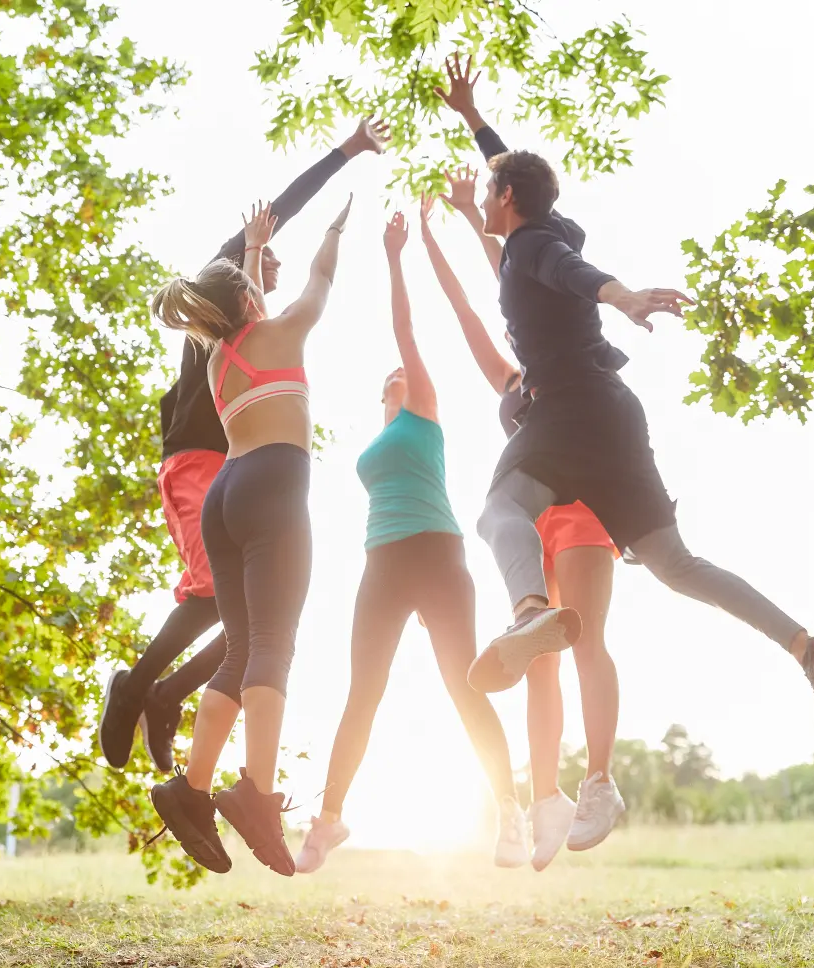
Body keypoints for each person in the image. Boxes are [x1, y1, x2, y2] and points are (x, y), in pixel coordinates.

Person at [433, 55, 814, 747]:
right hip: (613, 414)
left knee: (499, 510)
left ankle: (529, 611)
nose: (481, 200)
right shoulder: (540, 232)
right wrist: (476, 121)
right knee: (676, 564)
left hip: (568, 407)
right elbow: (533, 213)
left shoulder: (539, 247)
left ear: (506, 198)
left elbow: (574, 273)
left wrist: (622, 294)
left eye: (488, 192)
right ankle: (805, 648)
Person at [98, 119, 391, 773]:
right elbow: (280, 211)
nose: (272, 265)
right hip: (198, 467)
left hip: (233, 474)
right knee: (213, 601)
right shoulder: (220, 297)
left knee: (255, 620)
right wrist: (345, 152)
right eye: (263, 260)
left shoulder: (245, 332)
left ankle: (168, 693)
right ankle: (138, 685)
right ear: (238, 271)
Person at [293, 212, 527, 875]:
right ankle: (329, 819)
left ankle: (509, 811)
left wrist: (398, 253)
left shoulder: (424, 409)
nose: (404, 368)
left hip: (437, 553)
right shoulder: (377, 438)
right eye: (394, 372)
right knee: (361, 690)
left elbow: (406, 329)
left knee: (463, 686)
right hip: (381, 561)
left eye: (408, 368)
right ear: (383, 392)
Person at [147, 195, 354, 876]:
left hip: (224, 498)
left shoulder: (218, 361)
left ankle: (191, 789)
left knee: (241, 648)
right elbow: (320, 284)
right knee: (273, 646)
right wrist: (331, 232)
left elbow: (246, 307)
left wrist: (255, 256)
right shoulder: (283, 332)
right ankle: (256, 792)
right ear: (249, 301)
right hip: (272, 487)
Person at [421, 182, 623, 864]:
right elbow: (472, 308)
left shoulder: (564, 373)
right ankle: (547, 801)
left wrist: (475, 224)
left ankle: (599, 780)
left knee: (588, 641)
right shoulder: (512, 382)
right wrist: (434, 238)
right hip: (533, 519)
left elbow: (509, 270)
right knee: (538, 659)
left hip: (586, 506)